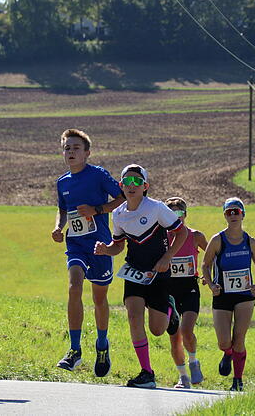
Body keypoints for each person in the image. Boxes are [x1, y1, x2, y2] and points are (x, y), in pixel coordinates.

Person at [94, 165, 185, 388]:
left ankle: (170, 310)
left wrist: (167, 258)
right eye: (127, 182)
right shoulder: (118, 214)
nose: (131, 186)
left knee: (157, 329)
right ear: (121, 186)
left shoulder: (156, 208)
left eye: (137, 182)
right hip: (134, 271)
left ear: (145, 186)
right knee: (134, 316)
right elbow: (118, 245)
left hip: (158, 272)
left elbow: (180, 232)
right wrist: (106, 249)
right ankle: (146, 373)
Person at [52, 129, 125, 375]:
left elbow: (122, 198)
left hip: (100, 245)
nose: (70, 152)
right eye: (67, 148)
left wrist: (97, 209)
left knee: (99, 299)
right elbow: (63, 210)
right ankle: (74, 350)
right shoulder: (62, 182)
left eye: (75, 148)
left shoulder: (98, 175)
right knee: (74, 286)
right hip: (76, 244)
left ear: (87, 153)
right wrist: (58, 227)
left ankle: (102, 344)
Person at [202, 198, 255, 391]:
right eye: (229, 212)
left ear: (243, 214)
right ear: (224, 215)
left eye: (236, 212)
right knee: (224, 342)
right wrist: (211, 284)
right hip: (222, 294)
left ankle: (238, 381)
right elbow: (205, 265)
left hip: (245, 295)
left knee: (239, 338)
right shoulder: (217, 240)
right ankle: (227, 353)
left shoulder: (250, 242)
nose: (233, 215)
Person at [163, 197, 208, 388]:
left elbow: (213, 254)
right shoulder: (161, 237)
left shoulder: (195, 236)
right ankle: (183, 377)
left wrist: (208, 275)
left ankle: (193, 361)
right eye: (171, 214)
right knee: (174, 337)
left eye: (179, 213)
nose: (176, 217)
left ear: (185, 215)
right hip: (168, 290)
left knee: (186, 329)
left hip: (189, 287)